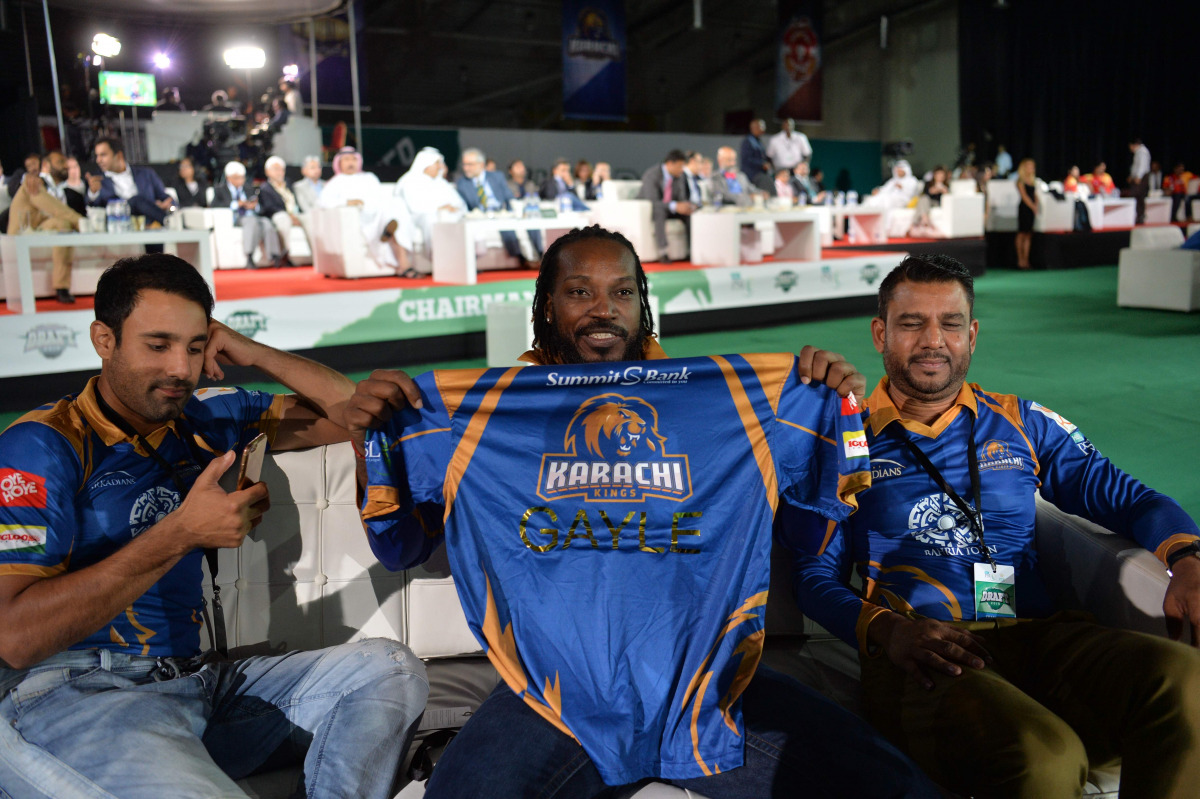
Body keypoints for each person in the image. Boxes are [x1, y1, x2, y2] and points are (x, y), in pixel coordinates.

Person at [345, 225, 939, 799]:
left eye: (622, 291)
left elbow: (807, 535)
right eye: (580, 291)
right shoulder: (482, 413)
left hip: (709, 683)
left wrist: (834, 407)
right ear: (547, 306)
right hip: (553, 694)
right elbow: (400, 547)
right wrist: (371, 438)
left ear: (642, 304)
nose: (604, 309)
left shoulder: (733, 403)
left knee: (896, 786)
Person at [0, 254, 429, 799]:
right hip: (73, 693)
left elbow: (351, 413)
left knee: (390, 671)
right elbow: (15, 639)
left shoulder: (206, 418)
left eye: (195, 347)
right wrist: (181, 533)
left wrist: (252, 351)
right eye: (158, 345)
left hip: (195, 685)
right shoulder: (41, 445)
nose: (181, 369)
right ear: (104, 340)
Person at [781, 254, 1200, 799]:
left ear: (972, 335)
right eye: (912, 323)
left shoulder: (1023, 422)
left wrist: (1187, 559)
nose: (934, 341)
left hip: (1039, 636)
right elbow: (813, 577)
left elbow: (1130, 498)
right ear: (881, 334)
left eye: (950, 323)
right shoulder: (845, 439)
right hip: (924, 654)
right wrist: (889, 631)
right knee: (1044, 755)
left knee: (1187, 682)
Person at [318, 146, 417, 277]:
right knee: (392, 217)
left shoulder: (369, 178)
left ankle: (389, 232)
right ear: (339, 163)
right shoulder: (334, 183)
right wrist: (347, 202)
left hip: (379, 212)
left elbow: (380, 196)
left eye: (353, 159)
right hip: (360, 218)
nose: (350, 163)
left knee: (396, 206)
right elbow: (323, 203)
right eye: (346, 159)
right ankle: (391, 239)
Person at [5, 150, 85, 304]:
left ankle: (61, 287)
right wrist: (80, 221)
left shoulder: (67, 191)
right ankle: (81, 222)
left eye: (65, 162)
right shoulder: (34, 182)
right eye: (60, 162)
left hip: (42, 228)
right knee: (67, 220)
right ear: (47, 165)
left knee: (64, 225)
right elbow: (53, 207)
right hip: (23, 230)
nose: (66, 166)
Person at [457, 147, 541, 267]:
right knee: (507, 229)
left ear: (481, 164)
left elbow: (509, 197)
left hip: (502, 212)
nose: (466, 168)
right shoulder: (462, 183)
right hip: (482, 215)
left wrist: (515, 210)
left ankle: (542, 255)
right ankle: (521, 259)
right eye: (464, 164)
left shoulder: (496, 176)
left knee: (531, 221)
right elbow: (466, 205)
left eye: (470, 164)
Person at [395, 146, 466, 261]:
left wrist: (454, 208)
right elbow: (415, 207)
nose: (440, 167)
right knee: (431, 219)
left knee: (461, 218)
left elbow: (459, 203)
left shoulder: (441, 182)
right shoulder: (410, 180)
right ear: (427, 164)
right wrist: (439, 208)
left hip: (447, 215)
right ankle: (439, 258)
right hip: (420, 217)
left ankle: (462, 257)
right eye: (437, 163)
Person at [86, 137, 174, 227]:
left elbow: (167, 199)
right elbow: (92, 207)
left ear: (119, 155)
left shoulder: (146, 174)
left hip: (150, 224)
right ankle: (168, 221)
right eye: (97, 156)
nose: (98, 160)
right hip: (118, 224)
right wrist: (93, 193)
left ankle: (168, 221)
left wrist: (168, 207)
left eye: (103, 155)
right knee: (136, 201)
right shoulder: (98, 180)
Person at [637, 150, 694, 262]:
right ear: (670, 164)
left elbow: (681, 197)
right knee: (659, 211)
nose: (682, 170)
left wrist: (685, 206)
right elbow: (652, 201)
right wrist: (675, 206)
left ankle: (691, 250)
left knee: (689, 214)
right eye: (680, 166)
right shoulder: (651, 175)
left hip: (669, 209)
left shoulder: (680, 176)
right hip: (650, 210)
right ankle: (663, 251)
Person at [211, 161, 269, 270]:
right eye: (237, 178)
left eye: (242, 177)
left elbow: (260, 206)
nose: (241, 180)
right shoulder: (220, 189)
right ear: (229, 178)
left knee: (266, 223)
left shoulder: (248, 188)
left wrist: (254, 206)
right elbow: (214, 205)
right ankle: (249, 255)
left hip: (252, 215)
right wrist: (236, 204)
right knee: (251, 221)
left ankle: (274, 257)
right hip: (236, 218)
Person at [256, 156, 303, 268]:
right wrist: (289, 215)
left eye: (282, 169)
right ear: (267, 172)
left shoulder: (289, 184)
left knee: (311, 218)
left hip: (297, 214)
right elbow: (269, 207)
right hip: (278, 215)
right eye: (276, 169)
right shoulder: (265, 188)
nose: (279, 172)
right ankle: (285, 254)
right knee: (283, 219)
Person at [910, 165, 949, 237]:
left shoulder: (946, 185)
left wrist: (943, 190)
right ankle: (925, 219)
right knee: (923, 199)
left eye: (942, 174)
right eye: (938, 174)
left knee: (922, 203)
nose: (940, 176)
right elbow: (925, 193)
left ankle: (914, 225)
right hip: (927, 202)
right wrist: (934, 190)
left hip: (937, 203)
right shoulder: (928, 183)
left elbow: (948, 197)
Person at [1015, 157, 1039, 269]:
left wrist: (1036, 205)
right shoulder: (1020, 181)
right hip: (1024, 209)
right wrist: (1033, 206)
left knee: (1029, 234)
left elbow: (1035, 194)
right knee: (1022, 233)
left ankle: (1026, 260)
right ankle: (1020, 260)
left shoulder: (1033, 181)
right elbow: (1024, 196)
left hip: (1032, 209)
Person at [1126, 137, 1152, 224]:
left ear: (1134, 145)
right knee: (1137, 196)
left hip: (1142, 177)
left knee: (1139, 196)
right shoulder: (1138, 152)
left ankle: (1140, 215)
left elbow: (1142, 166)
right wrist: (1132, 176)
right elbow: (1135, 166)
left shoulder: (1142, 152)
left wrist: (1138, 177)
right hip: (1138, 177)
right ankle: (1138, 215)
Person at [739, 118, 771, 190]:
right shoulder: (748, 141)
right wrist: (762, 164)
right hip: (751, 175)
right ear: (754, 128)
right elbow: (747, 159)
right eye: (761, 127)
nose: (763, 129)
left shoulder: (758, 140)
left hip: (759, 173)